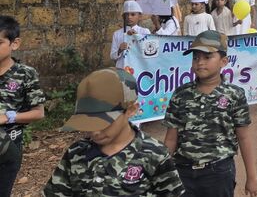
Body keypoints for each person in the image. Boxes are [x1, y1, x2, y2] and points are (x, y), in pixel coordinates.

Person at [43, 68, 183, 196]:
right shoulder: (76, 153)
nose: (95, 132)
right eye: (89, 123)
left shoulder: (155, 155)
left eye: (104, 122)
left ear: (131, 110)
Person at [163, 30, 257, 197]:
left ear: (224, 61)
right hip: (183, 172)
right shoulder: (181, 94)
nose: (200, 62)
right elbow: (171, 138)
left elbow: (244, 137)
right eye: (195, 57)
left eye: (207, 57)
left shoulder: (234, 94)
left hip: (219, 173)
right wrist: (161, 172)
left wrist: (251, 176)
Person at [0, 16, 45, 197]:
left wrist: (8, 117)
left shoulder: (25, 74)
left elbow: (38, 113)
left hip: (7, 147)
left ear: (15, 43)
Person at [110, 0, 151, 69]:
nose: (129, 17)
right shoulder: (117, 34)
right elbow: (112, 56)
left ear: (139, 16)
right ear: (123, 16)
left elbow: (149, 52)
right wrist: (119, 50)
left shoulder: (145, 32)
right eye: (127, 14)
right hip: (122, 68)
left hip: (139, 69)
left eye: (133, 14)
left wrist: (138, 37)